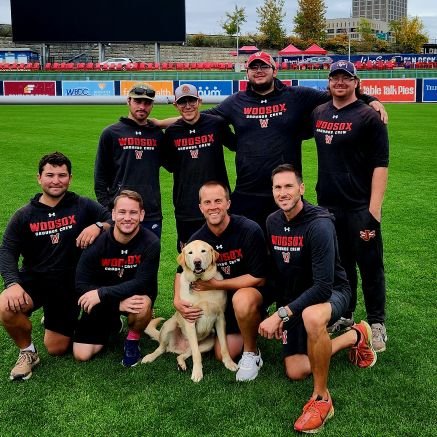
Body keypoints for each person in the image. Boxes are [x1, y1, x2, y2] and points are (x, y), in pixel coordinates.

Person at [201, 51, 387, 233]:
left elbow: (337, 93)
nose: (259, 70)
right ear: (247, 72)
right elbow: (203, 119)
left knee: (288, 253)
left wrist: (370, 99)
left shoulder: (296, 95)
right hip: (247, 192)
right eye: (253, 67)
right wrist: (172, 124)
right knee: (251, 253)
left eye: (264, 66)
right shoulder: (235, 101)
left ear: (275, 71)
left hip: (287, 193)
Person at [259, 164, 377, 434]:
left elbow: (323, 287)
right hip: (297, 297)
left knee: (313, 316)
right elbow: (279, 273)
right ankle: (354, 336)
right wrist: (275, 310)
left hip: (332, 292)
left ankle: (322, 399)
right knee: (296, 370)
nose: (283, 192)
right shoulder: (272, 221)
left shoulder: (319, 224)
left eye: (289, 186)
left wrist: (283, 314)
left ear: (301, 188)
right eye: (278, 187)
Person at [0, 152, 111, 381]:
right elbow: (7, 250)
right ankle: (28, 353)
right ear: (39, 178)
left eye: (62, 175)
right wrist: (12, 283)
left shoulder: (82, 205)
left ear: (69, 178)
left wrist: (98, 225)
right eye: (50, 175)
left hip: (68, 285)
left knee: (57, 348)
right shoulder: (24, 215)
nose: (56, 180)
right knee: (5, 306)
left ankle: (97, 319)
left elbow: (113, 218)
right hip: (36, 280)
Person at [312, 60, 389, 352]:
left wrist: (374, 209)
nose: (340, 82)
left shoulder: (369, 117)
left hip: (360, 207)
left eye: (346, 78)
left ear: (356, 82)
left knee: (370, 266)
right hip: (328, 207)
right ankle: (345, 314)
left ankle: (377, 322)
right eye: (335, 77)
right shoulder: (319, 111)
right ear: (328, 81)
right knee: (340, 266)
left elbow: (381, 165)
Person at [173, 181, 268, 381]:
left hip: (250, 295)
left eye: (218, 200)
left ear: (228, 203)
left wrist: (217, 285)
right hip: (220, 305)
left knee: (241, 299)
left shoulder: (249, 230)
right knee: (221, 354)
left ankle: (253, 353)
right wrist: (176, 300)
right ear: (201, 208)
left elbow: (259, 277)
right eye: (207, 202)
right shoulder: (198, 239)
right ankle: (243, 332)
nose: (213, 206)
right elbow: (180, 270)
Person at [73, 190, 160, 367]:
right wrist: (114, 304)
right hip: (104, 302)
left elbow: (142, 282)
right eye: (122, 212)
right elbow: (81, 285)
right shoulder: (96, 242)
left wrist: (103, 293)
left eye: (133, 212)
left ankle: (132, 341)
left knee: (143, 306)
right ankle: (112, 322)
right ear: (113, 214)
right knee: (81, 354)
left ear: (142, 215)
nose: (127, 218)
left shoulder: (151, 242)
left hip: (132, 297)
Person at [162, 84, 235, 252]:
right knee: (190, 258)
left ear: (199, 101)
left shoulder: (216, 124)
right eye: (182, 102)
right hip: (186, 207)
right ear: (175, 105)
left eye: (192, 101)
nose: (188, 106)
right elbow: (170, 165)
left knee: (223, 254)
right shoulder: (172, 132)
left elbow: (237, 144)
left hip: (217, 203)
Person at [94, 84, 165, 238]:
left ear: (152, 105)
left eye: (147, 103)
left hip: (150, 212)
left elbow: (173, 165)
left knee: (149, 260)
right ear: (128, 101)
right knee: (121, 261)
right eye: (137, 101)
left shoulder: (157, 135)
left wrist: (162, 123)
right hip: (122, 214)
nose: (142, 106)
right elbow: (100, 178)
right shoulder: (111, 133)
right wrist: (109, 210)